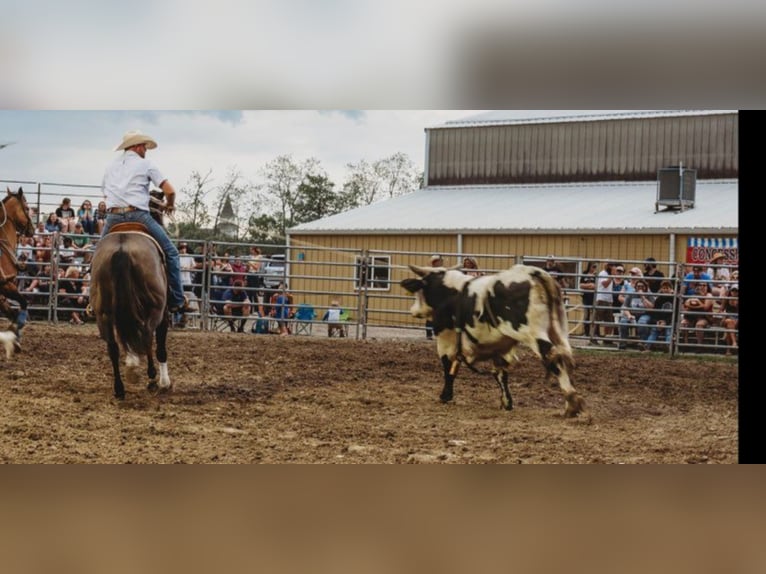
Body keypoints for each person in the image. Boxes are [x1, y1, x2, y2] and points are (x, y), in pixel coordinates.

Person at [100, 130, 189, 315]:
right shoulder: (146, 164)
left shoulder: (110, 167)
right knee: (171, 253)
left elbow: (106, 193)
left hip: (113, 217)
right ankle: (177, 299)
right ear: (137, 146)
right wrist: (169, 206)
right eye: (145, 147)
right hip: (138, 216)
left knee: (96, 256)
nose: (146, 151)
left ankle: (93, 300)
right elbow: (170, 191)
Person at [617, 278, 655, 349]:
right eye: (638, 286)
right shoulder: (631, 294)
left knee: (642, 322)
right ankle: (623, 343)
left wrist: (643, 297)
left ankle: (643, 343)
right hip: (632, 314)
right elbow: (625, 307)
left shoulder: (649, 294)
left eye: (642, 286)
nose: (640, 288)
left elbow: (651, 307)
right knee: (623, 322)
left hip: (645, 314)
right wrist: (629, 315)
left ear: (645, 287)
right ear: (635, 287)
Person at [680, 281, 714, 347]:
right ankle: (685, 344)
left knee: (699, 324)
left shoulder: (709, 295)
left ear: (707, 287)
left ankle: (699, 345)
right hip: (692, 317)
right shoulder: (693, 295)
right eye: (700, 285)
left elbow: (705, 308)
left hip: (705, 317)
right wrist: (694, 305)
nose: (702, 287)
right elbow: (686, 305)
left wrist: (697, 302)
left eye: (704, 285)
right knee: (683, 323)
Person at [646, 279, 676, 348]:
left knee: (668, 331)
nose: (665, 290)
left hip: (670, 321)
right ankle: (647, 346)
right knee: (654, 330)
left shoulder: (674, 299)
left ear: (671, 289)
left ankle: (669, 347)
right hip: (660, 321)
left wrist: (665, 322)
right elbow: (655, 313)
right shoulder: (659, 299)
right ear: (661, 289)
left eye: (667, 288)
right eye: (664, 288)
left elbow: (675, 314)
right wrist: (658, 322)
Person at [593, 261, 617, 343]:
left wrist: (611, 301)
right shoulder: (603, 274)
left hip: (608, 300)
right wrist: (612, 276)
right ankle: (593, 339)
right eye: (612, 266)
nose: (614, 267)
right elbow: (605, 284)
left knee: (609, 321)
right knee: (597, 320)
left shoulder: (609, 275)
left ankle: (607, 340)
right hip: (601, 299)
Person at [424, 254, 443, 340]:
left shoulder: (443, 271)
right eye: (436, 261)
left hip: (440, 295)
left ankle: (438, 332)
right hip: (431, 295)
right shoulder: (428, 271)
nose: (438, 263)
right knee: (430, 315)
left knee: (440, 315)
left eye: (439, 261)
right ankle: (429, 333)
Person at [579, 261, 597, 338]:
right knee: (586, 315)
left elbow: (596, 286)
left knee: (594, 316)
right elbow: (581, 285)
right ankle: (586, 332)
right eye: (593, 266)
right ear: (589, 266)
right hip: (586, 297)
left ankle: (594, 333)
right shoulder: (584, 274)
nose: (594, 268)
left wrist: (591, 286)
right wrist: (589, 285)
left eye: (595, 267)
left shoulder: (596, 275)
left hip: (594, 297)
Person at [720, 284, 738, 355]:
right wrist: (724, 314)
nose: (734, 292)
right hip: (727, 318)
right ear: (730, 291)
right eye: (733, 290)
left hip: (736, 320)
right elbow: (721, 310)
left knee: (729, 327)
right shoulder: (726, 299)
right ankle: (734, 342)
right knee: (729, 322)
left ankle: (728, 350)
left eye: (736, 291)